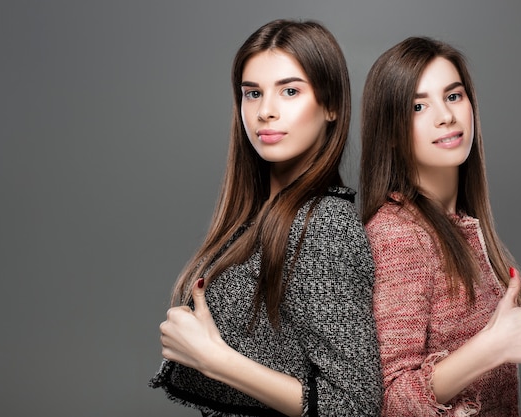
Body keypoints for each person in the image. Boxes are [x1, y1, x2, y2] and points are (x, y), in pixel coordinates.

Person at [149, 19, 383, 417]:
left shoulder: (324, 224)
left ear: (330, 106)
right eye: (252, 93)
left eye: (290, 91)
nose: (266, 111)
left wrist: (215, 360)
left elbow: (357, 404)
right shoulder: (259, 216)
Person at [359, 36, 521, 416]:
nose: (445, 116)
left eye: (453, 96)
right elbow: (389, 401)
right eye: (418, 105)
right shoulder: (399, 233)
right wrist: (491, 347)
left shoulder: (458, 223)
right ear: (391, 133)